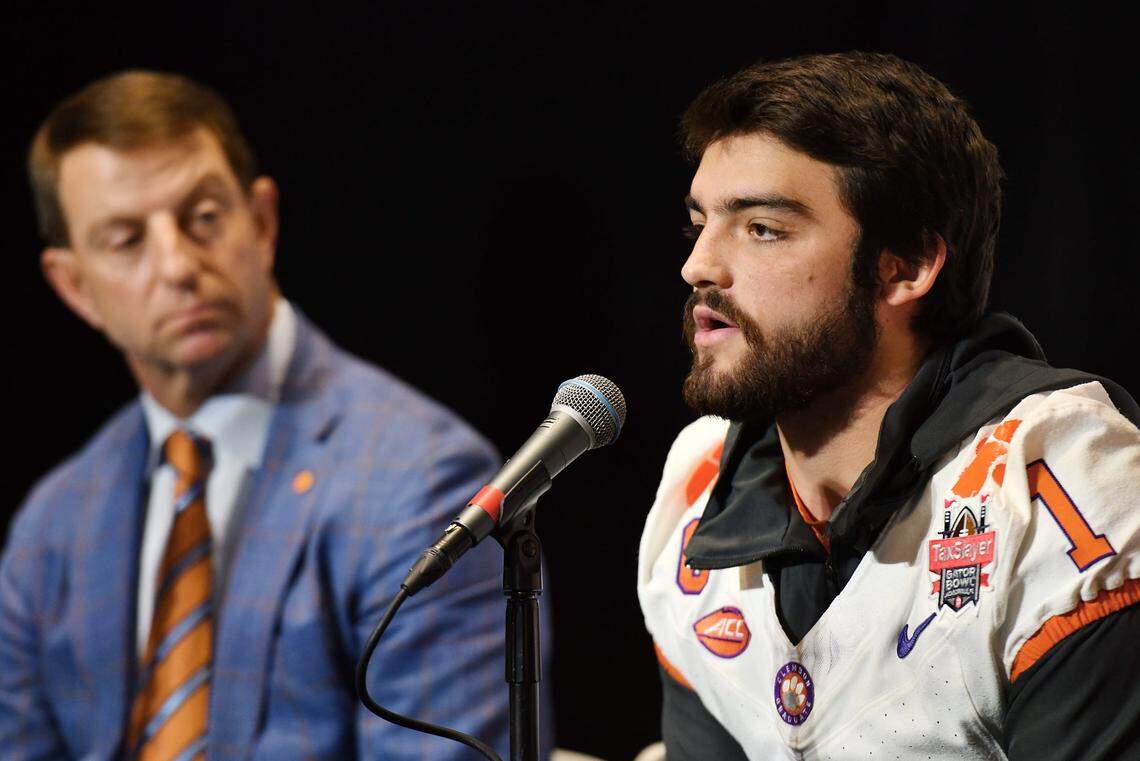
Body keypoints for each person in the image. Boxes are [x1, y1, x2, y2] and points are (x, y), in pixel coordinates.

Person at [0, 70, 550, 760]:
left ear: (261, 222)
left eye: (203, 218)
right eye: (126, 239)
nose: (176, 265)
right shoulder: (52, 526)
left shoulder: (423, 479)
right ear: (74, 285)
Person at [638, 52, 1140, 760]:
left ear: (905, 266)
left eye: (761, 228)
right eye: (701, 224)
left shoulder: (1060, 482)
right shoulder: (696, 486)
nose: (699, 267)